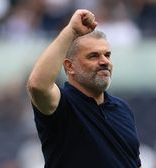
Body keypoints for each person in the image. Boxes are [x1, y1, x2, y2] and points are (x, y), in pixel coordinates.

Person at [27, 9, 141, 168]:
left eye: (107, 55)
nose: (104, 61)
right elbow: (37, 85)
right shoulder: (63, 105)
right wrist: (71, 30)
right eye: (93, 56)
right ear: (69, 66)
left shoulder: (122, 108)